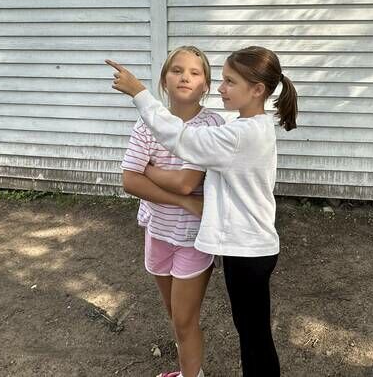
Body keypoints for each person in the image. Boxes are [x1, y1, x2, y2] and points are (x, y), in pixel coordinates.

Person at [107, 45, 298, 377]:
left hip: (248, 250)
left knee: (254, 337)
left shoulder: (239, 134)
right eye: (222, 80)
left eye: (230, 81)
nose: (222, 88)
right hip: (248, 247)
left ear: (257, 90)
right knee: (252, 333)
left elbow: (182, 140)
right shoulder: (247, 127)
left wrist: (139, 93)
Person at [119, 46, 224, 377]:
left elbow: (186, 182)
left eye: (195, 72)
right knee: (174, 314)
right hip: (158, 231)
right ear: (164, 80)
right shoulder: (146, 122)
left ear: (206, 85)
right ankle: (190, 372)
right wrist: (183, 201)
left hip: (193, 236)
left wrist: (148, 170)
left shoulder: (212, 124)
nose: (185, 77)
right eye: (177, 70)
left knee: (184, 319)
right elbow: (129, 181)